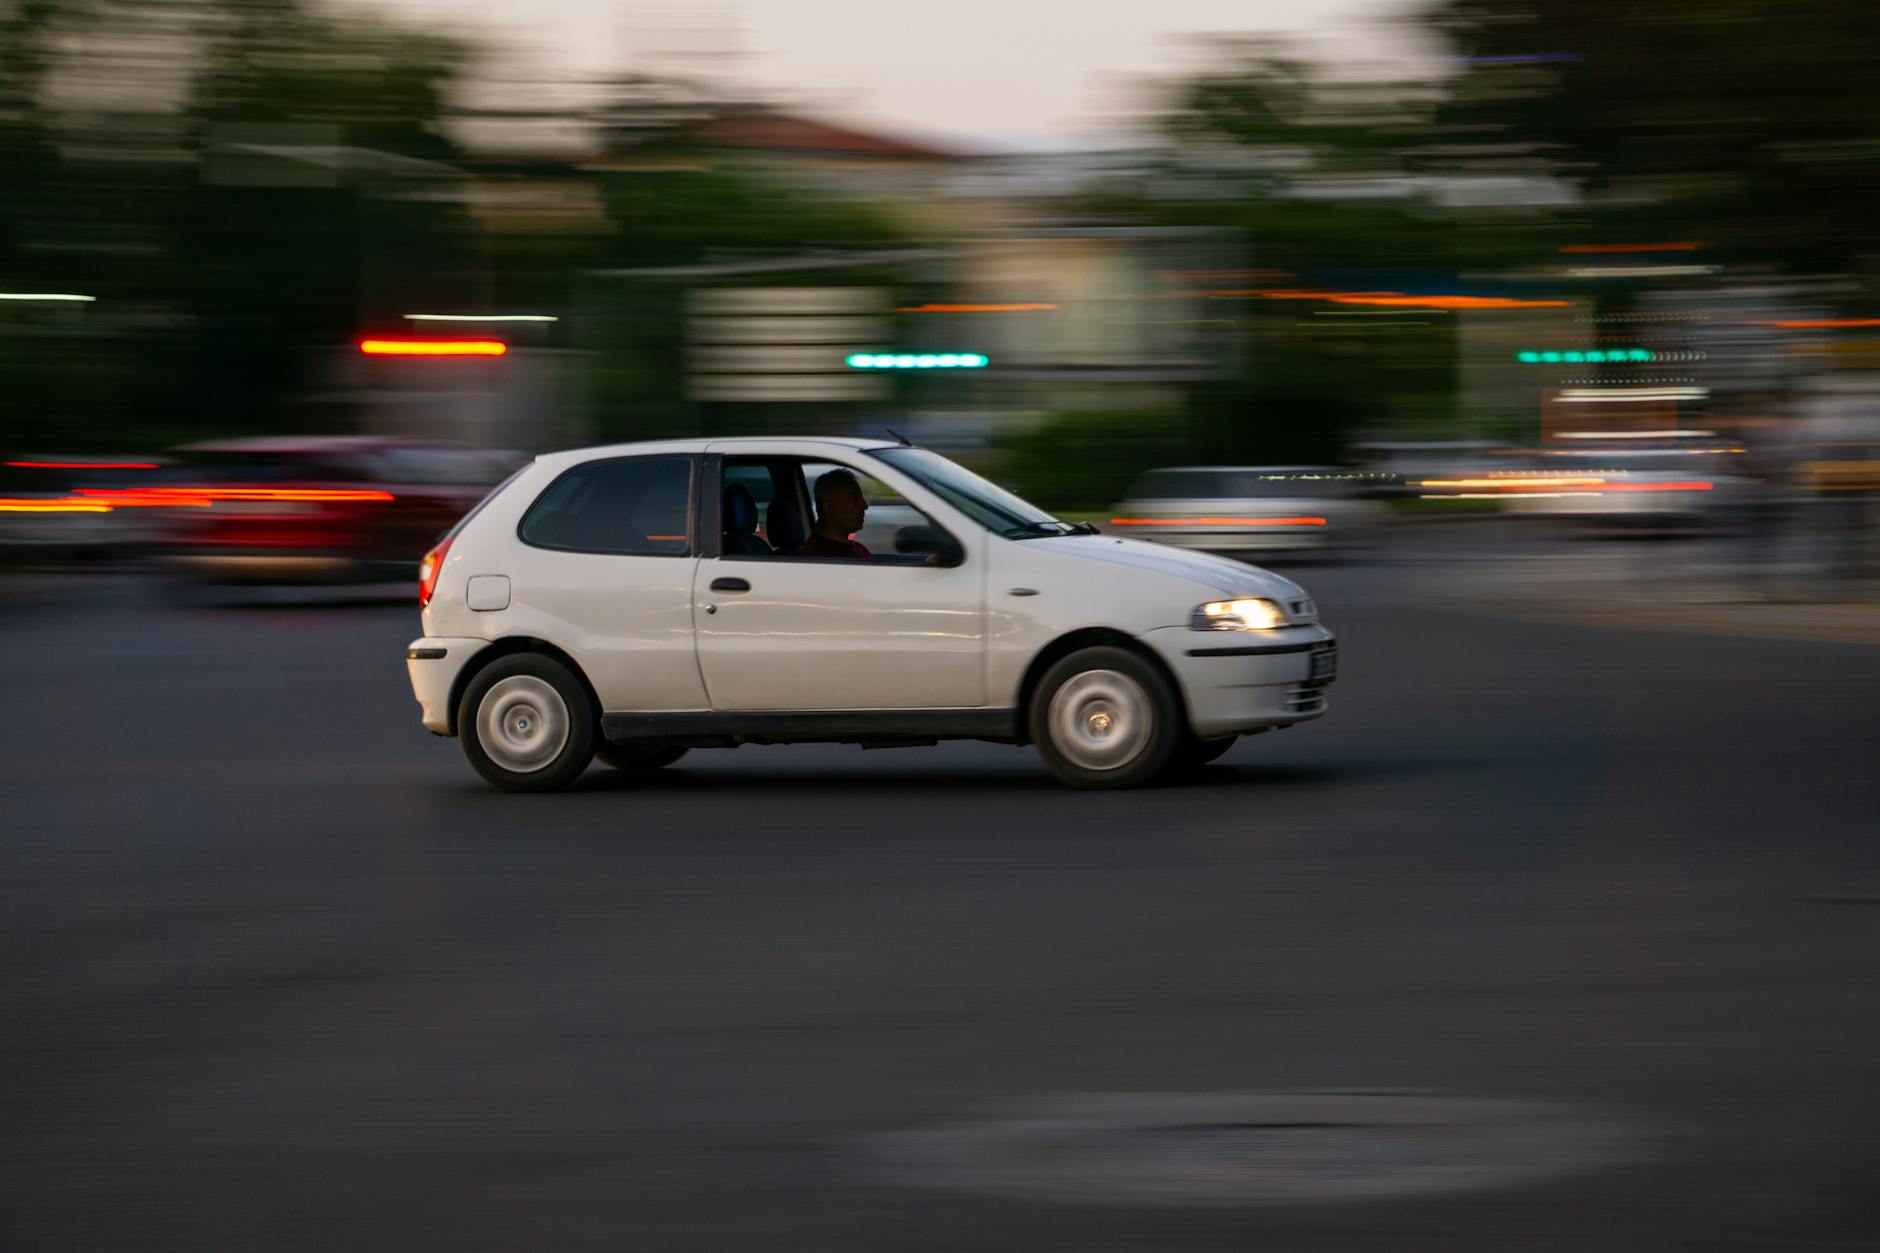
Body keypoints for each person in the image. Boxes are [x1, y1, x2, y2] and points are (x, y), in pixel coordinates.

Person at [798, 468, 872, 559]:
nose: (864, 506)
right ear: (828, 506)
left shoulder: (857, 548)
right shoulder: (816, 558)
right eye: (854, 498)